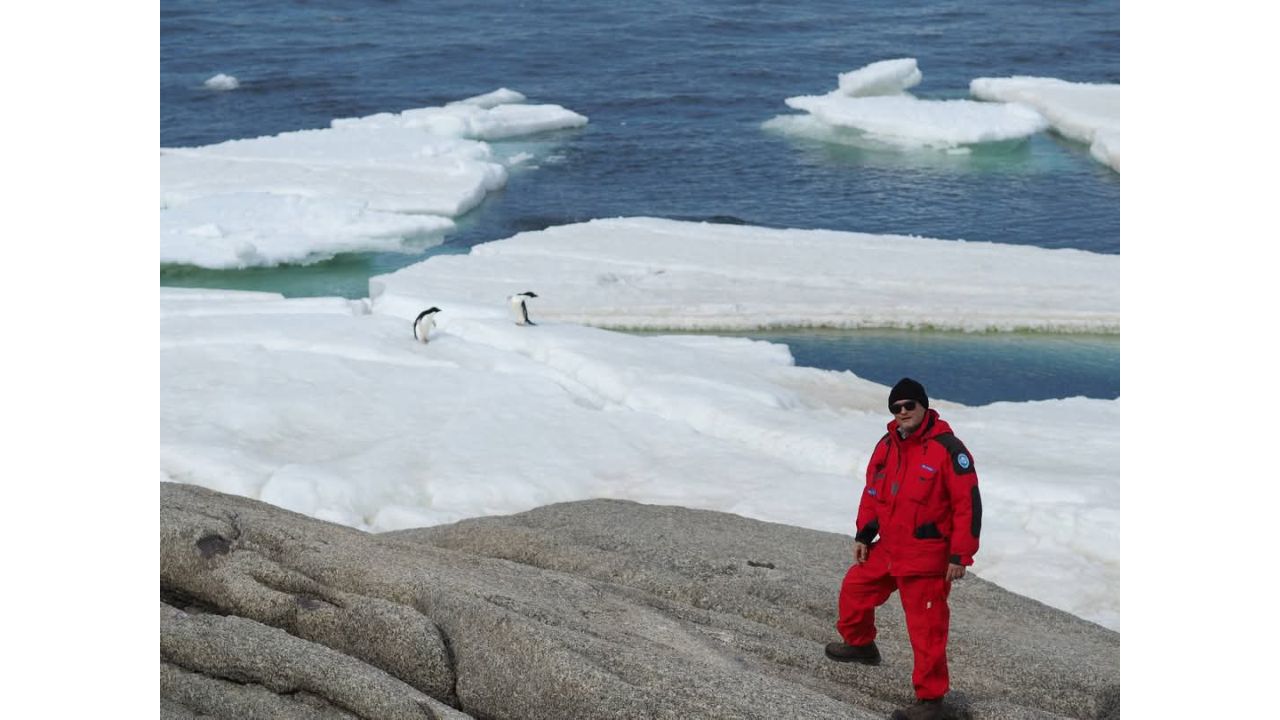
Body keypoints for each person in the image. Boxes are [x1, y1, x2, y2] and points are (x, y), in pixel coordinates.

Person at [825, 378, 982, 720]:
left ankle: (931, 702)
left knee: (926, 629)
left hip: (927, 557)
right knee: (854, 588)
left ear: (923, 406)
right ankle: (861, 645)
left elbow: (967, 505)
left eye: (909, 405)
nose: (903, 412)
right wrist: (865, 534)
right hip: (890, 548)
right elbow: (873, 490)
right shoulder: (887, 444)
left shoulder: (949, 449)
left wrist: (960, 556)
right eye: (896, 408)